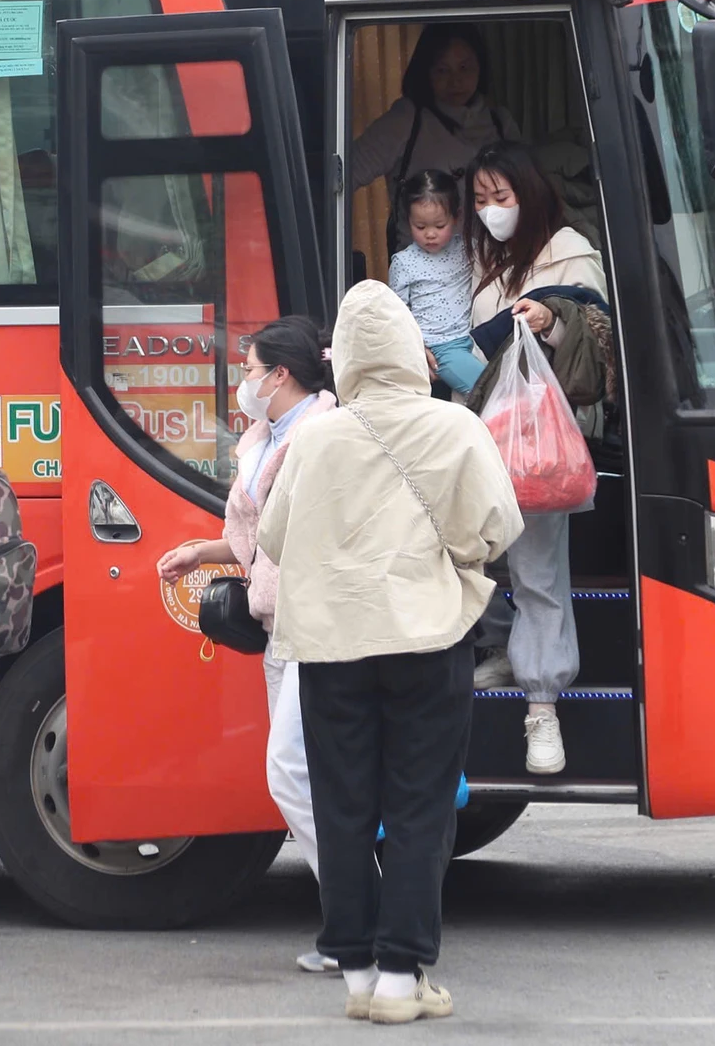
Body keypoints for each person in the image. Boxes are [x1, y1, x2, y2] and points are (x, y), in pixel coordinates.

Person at [259, 281, 523, 1026]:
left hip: (332, 647)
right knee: (418, 805)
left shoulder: (314, 435)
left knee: (340, 805)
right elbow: (497, 526)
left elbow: (275, 539)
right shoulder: (453, 426)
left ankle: (357, 971)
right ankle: (404, 981)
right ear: (411, 350)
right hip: (427, 637)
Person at [155, 316, 337, 974]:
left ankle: (360, 914)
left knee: (293, 770)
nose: (244, 382)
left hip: (315, 623)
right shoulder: (270, 433)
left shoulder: (320, 435)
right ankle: (355, 920)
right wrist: (200, 552)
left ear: (281, 375)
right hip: (277, 622)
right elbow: (258, 531)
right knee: (310, 773)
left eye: (252, 369)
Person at [463, 141, 610, 774]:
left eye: (502, 198)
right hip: (475, 436)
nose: (491, 211)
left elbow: (596, 336)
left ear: (531, 192)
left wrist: (549, 317)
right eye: (479, 200)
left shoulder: (569, 251)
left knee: (538, 569)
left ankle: (542, 707)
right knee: (478, 558)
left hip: (538, 446)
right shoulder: (482, 259)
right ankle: (501, 647)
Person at [346, 24, 518, 194]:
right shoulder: (408, 119)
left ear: (480, 66)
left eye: (464, 68)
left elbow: (525, 187)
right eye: (442, 70)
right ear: (426, 71)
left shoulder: (501, 122)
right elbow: (344, 173)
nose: (455, 81)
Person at [388, 169, 483, 397]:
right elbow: (396, 314)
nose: (430, 234)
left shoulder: (468, 249)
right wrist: (415, 349)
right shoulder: (403, 262)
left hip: (474, 336)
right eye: (420, 227)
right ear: (407, 221)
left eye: (439, 226)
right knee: (489, 390)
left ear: (456, 217)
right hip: (440, 348)